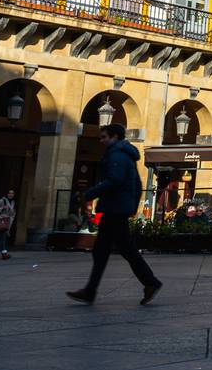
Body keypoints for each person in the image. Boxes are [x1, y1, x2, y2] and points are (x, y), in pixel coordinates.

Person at [67, 123, 162, 306]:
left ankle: (150, 283)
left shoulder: (117, 155)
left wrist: (89, 194)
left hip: (115, 208)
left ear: (114, 137)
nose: (101, 141)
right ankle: (91, 290)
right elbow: (134, 183)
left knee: (122, 250)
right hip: (118, 207)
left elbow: (114, 180)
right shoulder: (124, 155)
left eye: (104, 137)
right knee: (108, 250)